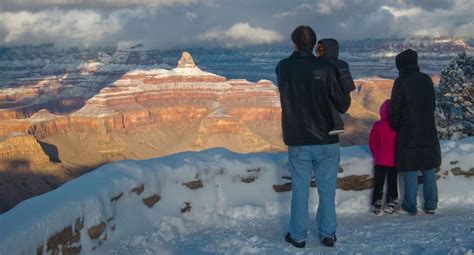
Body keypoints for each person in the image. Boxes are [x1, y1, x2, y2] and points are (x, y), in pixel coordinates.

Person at [276, 26, 351, 248]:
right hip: (327, 139)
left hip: (298, 139)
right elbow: (343, 105)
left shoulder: (283, 67)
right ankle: (328, 234)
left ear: (294, 44)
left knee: (299, 190)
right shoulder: (327, 68)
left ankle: (298, 236)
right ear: (315, 44)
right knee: (327, 190)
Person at [389, 49, 441, 215]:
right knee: (428, 167)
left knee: (410, 167)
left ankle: (410, 205)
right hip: (428, 129)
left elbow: (395, 110)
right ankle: (431, 203)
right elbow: (432, 105)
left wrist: (397, 125)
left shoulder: (400, 82)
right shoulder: (426, 79)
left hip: (408, 131)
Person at [316, 39, 356, 135]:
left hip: (337, 99)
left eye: (321, 49)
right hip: (344, 98)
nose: (317, 52)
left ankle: (336, 124)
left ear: (328, 49)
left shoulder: (325, 64)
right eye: (317, 49)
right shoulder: (341, 63)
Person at [369, 99, 398, 215]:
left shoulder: (377, 126)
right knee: (392, 182)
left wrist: (376, 153)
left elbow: (372, 143)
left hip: (380, 160)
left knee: (379, 183)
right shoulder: (397, 126)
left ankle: (377, 202)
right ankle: (391, 202)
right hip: (394, 161)